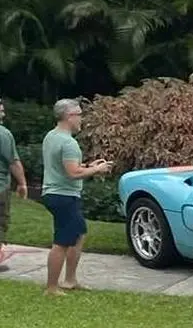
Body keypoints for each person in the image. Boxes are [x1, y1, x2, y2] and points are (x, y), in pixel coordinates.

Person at [41, 98, 112, 295]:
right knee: (62, 241)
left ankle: (70, 280)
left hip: (55, 193)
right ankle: (52, 287)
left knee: (79, 233)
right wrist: (97, 169)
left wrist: (88, 166)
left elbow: (65, 168)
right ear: (68, 116)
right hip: (63, 196)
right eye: (79, 114)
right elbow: (72, 173)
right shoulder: (68, 143)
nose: (82, 118)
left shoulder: (51, 136)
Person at [0, 97, 28, 269]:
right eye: (1, 110)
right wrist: (23, 183)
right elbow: (13, 162)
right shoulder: (3, 134)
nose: (3, 113)